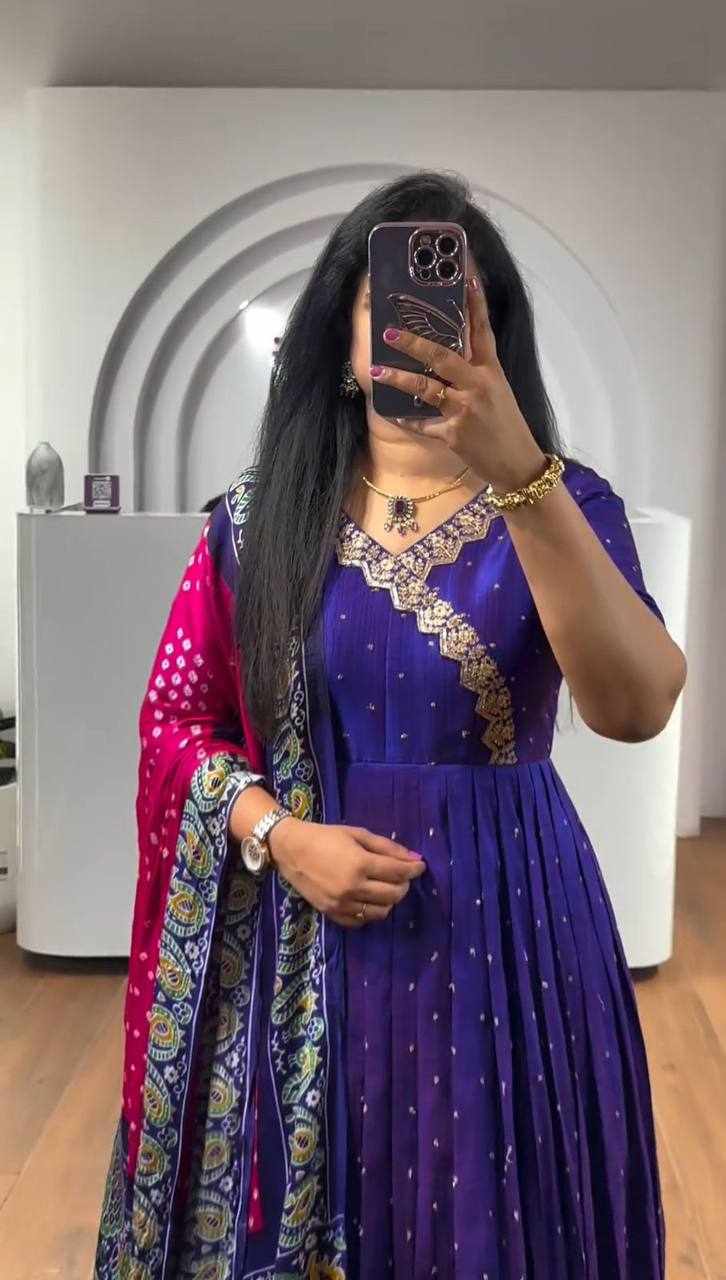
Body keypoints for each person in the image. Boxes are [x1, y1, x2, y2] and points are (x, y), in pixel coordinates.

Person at [93, 170, 686, 1280]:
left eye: (457, 310)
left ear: (495, 337)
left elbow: (636, 705)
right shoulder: (258, 523)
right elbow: (176, 722)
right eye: (393, 307)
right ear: (344, 335)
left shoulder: (568, 502)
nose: (422, 336)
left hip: (513, 931)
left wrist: (523, 478)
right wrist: (280, 835)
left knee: (505, 1217)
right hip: (307, 943)